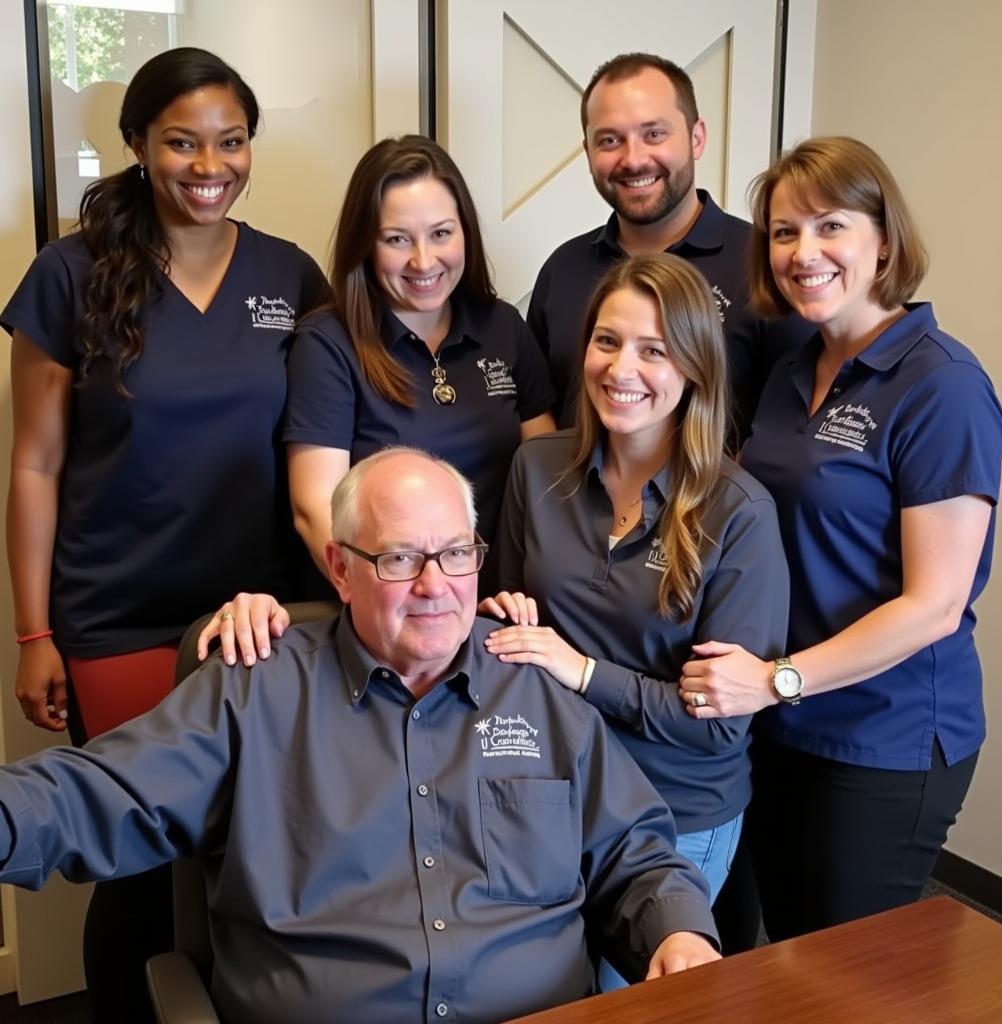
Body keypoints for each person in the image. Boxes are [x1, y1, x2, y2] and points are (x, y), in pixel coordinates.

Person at [0, 449, 720, 1024]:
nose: (436, 585)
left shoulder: (531, 680)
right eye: (400, 559)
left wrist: (680, 932)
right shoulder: (257, 688)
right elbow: (97, 792)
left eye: (456, 554)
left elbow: (637, 853)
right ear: (341, 569)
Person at [1, 47, 327, 1020]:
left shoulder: (289, 274)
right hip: (120, 622)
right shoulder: (69, 276)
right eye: (182, 141)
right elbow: (33, 465)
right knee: (141, 861)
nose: (208, 164)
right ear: (138, 145)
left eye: (231, 141)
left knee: (250, 852)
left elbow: (320, 442)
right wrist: (34, 633)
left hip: (263, 619)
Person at [680, 136, 1002, 941]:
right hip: (784, 721)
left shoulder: (941, 386)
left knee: (846, 975)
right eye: (785, 232)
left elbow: (934, 606)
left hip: (881, 739)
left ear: (884, 239)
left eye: (830, 226)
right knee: (785, 955)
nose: (803, 252)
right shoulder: (796, 372)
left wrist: (778, 681)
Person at [482, 254, 789, 985]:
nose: (623, 368)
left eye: (655, 350)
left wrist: (581, 670)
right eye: (608, 341)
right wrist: (506, 615)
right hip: (550, 784)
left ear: (695, 369)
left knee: (629, 998)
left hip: (675, 811)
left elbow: (715, 723)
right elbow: (509, 628)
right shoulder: (536, 469)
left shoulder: (739, 515)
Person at [283, 134, 556, 584]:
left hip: (503, 603)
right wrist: (417, 606)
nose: (423, 260)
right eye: (396, 239)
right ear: (364, 246)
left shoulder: (503, 327)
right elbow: (315, 512)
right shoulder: (327, 345)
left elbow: (546, 479)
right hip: (393, 609)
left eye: (441, 234)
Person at [528, 52, 811, 443]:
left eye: (654, 134)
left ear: (697, 138)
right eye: (610, 140)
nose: (634, 159)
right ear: (589, 151)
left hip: (723, 503)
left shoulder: (765, 266)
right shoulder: (562, 270)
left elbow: (799, 429)